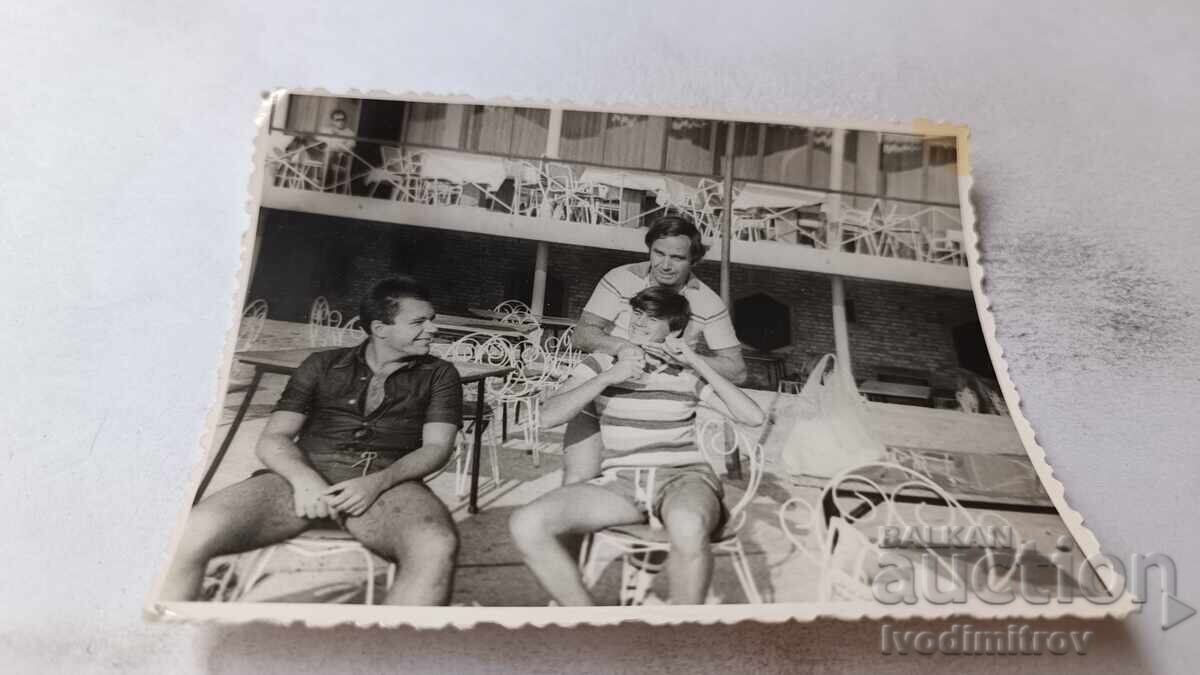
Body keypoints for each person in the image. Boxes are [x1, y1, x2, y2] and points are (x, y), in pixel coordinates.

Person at [161, 277, 462, 605]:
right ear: (380, 328)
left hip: (386, 486)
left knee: (435, 546)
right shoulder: (322, 365)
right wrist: (303, 479)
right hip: (302, 479)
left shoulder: (440, 374)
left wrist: (377, 483)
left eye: (432, 320)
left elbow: (437, 448)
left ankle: (393, 653)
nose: (433, 329)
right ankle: (171, 645)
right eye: (420, 322)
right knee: (191, 530)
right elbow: (274, 438)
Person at [509, 287, 764, 605]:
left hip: (683, 477)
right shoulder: (603, 363)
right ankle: (591, 625)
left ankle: (682, 637)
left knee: (688, 524)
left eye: (653, 317)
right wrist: (608, 377)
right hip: (622, 483)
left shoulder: (684, 373)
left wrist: (697, 361)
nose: (640, 323)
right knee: (527, 523)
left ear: (675, 329)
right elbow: (546, 417)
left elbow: (753, 417)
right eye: (638, 313)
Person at [564, 215, 747, 486]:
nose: (665, 265)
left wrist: (688, 359)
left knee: (651, 490)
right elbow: (582, 334)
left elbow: (738, 371)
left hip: (659, 408)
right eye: (658, 253)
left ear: (693, 260)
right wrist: (624, 347)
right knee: (577, 480)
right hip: (602, 391)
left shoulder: (708, 302)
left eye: (677, 257)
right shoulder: (620, 278)